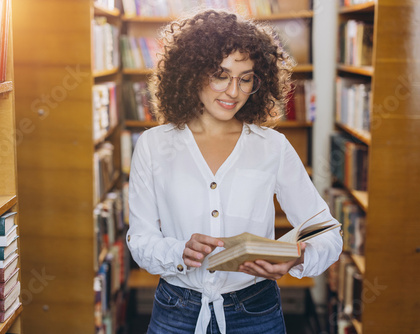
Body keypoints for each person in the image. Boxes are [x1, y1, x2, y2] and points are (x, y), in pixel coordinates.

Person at [126, 9, 342, 334]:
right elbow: (140, 240)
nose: (233, 92)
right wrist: (179, 250)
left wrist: (297, 258)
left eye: (245, 79)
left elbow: (326, 231)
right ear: (191, 72)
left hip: (256, 311)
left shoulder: (272, 147)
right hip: (176, 311)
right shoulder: (154, 145)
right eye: (220, 75)